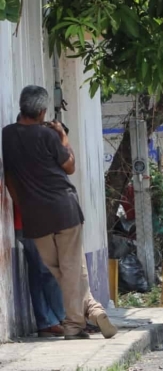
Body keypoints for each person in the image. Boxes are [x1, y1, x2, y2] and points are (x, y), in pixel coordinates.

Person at [3, 85, 117, 340]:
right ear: (43, 111)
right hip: (65, 210)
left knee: (59, 270)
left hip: (35, 216)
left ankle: (83, 316)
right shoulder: (49, 136)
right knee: (71, 269)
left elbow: (9, 177)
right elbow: (70, 166)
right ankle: (81, 319)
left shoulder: (7, 136)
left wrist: (23, 204)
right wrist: (63, 137)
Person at [14, 202, 65, 337]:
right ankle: (64, 318)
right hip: (32, 221)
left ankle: (47, 323)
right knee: (47, 270)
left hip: (36, 221)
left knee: (38, 273)